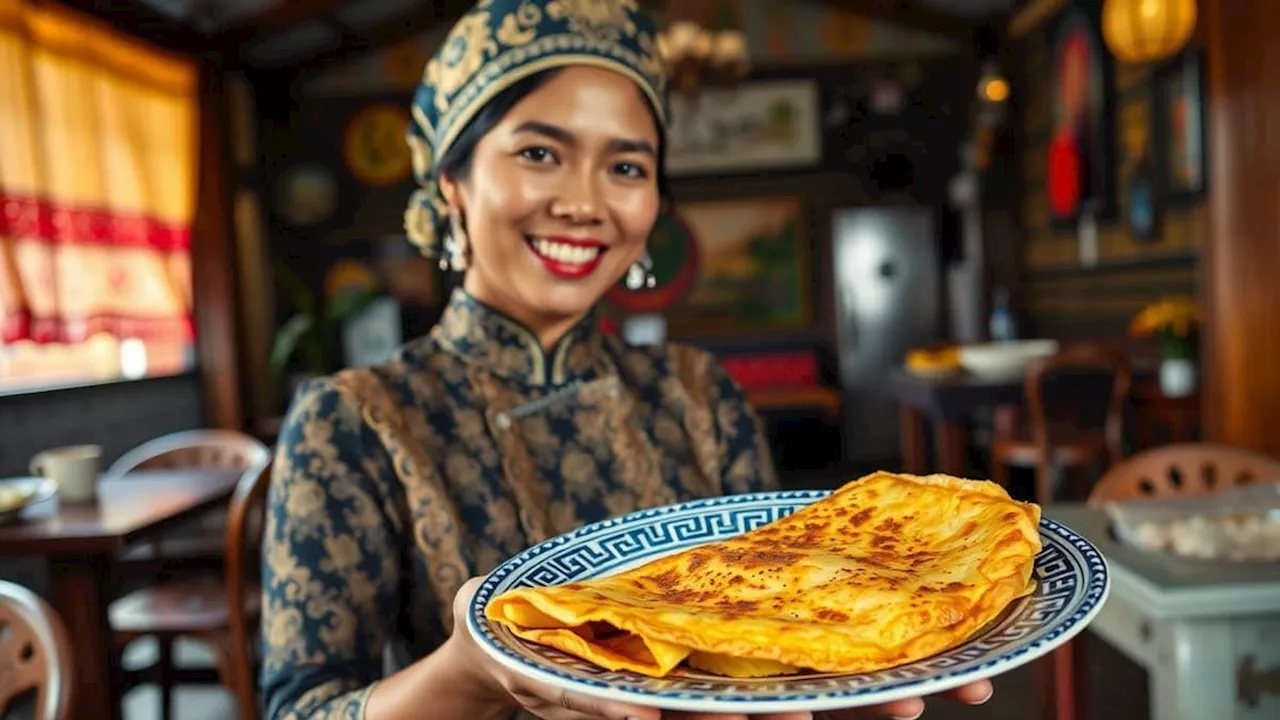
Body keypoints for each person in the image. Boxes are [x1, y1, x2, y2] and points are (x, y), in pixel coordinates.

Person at [259, 1, 997, 719]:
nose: (585, 202)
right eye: (539, 153)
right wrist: (469, 674)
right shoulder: (353, 420)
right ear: (453, 186)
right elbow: (304, 707)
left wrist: (838, 681)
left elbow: (781, 624)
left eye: (626, 167)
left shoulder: (698, 392)